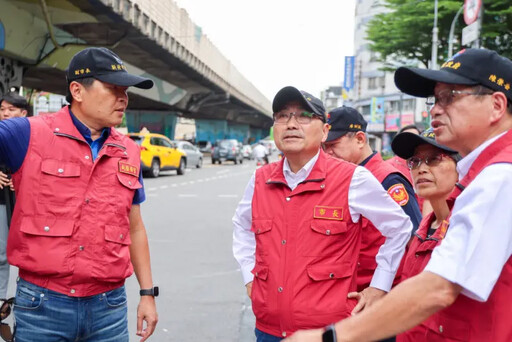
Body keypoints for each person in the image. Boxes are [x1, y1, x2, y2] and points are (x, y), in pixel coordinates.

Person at [283, 48, 512, 342]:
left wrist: (329, 338)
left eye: (449, 97)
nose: (434, 110)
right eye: (435, 99)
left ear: (496, 105)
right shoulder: (482, 175)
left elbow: (438, 288)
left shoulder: (501, 175)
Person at [0, 47, 158, 342]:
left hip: (108, 308)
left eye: (126, 91)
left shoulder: (129, 151)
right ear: (77, 90)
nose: (123, 98)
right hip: (42, 307)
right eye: (113, 88)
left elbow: (134, 227)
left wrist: (147, 293)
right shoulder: (27, 133)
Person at [232, 86, 412, 341]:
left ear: (325, 131)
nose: (291, 124)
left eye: (304, 116)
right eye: (282, 116)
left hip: (328, 332)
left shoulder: (353, 178)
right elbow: (241, 227)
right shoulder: (260, 179)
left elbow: (400, 227)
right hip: (268, 330)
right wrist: (249, 274)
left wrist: (379, 286)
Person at [323, 106, 422, 292]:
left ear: (360, 139)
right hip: (352, 290)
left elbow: (414, 238)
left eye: (332, 145)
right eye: (324, 147)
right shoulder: (344, 178)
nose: (327, 153)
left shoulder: (388, 179)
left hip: (382, 291)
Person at [390, 128, 460, 341]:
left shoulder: (465, 228)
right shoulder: (422, 231)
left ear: (462, 167)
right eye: (415, 161)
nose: (421, 169)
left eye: (434, 159)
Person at [0, 92, 28, 300]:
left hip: (28, 203)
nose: (5, 114)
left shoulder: (34, 134)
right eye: (2, 110)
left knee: (29, 254)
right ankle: (1, 299)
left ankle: (27, 298)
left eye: (11, 110)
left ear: (23, 113)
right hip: (3, 202)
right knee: (1, 254)